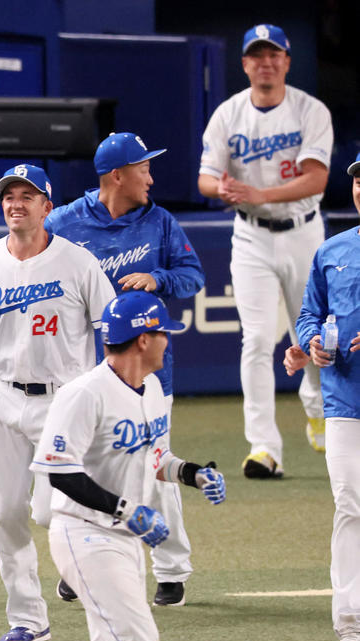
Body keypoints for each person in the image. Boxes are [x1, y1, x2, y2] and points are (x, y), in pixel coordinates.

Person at [0, 291, 227, 641]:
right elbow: (59, 471)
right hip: (83, 533)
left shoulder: (152, 387)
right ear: (142, 339)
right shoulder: (84, 394)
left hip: (119, 537)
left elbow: (155, 455)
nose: (167, 342)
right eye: (162, 333)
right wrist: (125, 509)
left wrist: (193, 473)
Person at [47, 132, 206, 608]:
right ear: (117, 175)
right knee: (86, 468)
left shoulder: (159, 222)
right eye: (144, 168)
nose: (151, 177)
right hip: (84, 370)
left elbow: (193, 277)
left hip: (147, 374)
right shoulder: (64, 222)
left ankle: (172, 567)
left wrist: (159, 278)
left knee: (152, 466)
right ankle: (82, 564)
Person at [0, 164, 115, 641]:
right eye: (9, 195)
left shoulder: (78, 263)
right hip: (5, 398)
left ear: (47, 207)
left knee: (50, 513)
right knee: (4, 513)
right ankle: (28, 618)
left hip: (65, 401)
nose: (16, 203)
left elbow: (112, 328)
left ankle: (84, 569)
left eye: (28, 196)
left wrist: (107, 395)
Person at [198, 23, 332, 479]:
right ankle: (263, 447)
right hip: (251, 236)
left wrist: (257, 193)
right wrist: (224, 188)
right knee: (255, 339)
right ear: (245, 64)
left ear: (287, 61)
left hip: (304, 232)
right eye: (257, 55)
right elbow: (204, 178)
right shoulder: (228, 114)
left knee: (310, 332)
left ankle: (315, 404)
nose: (266, 62)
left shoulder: (310, 111)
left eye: (274, 53)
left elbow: (317, 180)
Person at [284, 152, 360, 641]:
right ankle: (351, 624)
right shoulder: (332, 251)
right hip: (344, 400)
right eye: (359, 182)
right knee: (351, 505)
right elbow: (310, 312)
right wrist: (309, 342)